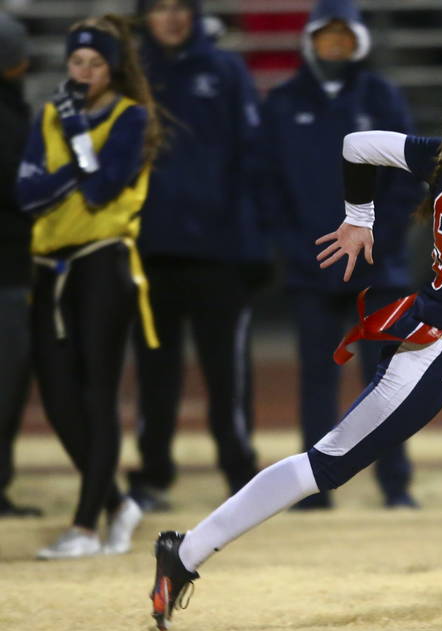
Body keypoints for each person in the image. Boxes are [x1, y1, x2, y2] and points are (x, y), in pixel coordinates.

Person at [147, 59, 442, 631]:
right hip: (436, 351)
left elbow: (357, 145)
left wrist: (358, 216)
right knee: (323, 465)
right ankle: (186, 553)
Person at [261, 0, 421, 510]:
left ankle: (395, 485)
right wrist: (296, 248)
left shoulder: (382, 96)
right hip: (312, 270)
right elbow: (268, 185)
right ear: (310, 39)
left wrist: (383, 239)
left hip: (380, 271)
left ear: (359, 40)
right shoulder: (282, 102)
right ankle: (313, 490)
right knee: (316, 380)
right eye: (325, 35)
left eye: (343, 35)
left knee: (389, 381)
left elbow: (407, 176)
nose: (335, 44)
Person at [17, 15, 163, 558]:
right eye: (76, 62)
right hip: (50, 266)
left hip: (103, 263)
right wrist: (75, 167)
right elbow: (26, 196)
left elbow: (103, 190)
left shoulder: (131, 118)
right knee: (57, 400)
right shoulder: (51, 114)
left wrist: (78, 145)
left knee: (97, 395)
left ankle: (84, 527)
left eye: (94, 63)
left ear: (112, 68)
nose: (83, 72)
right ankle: (120, 502)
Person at [128, 0, 265, 511]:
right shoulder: (129, 73)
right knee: (153, 373)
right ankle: (153, 474)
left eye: (180, 6)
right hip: (149, 250)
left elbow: (252, 157)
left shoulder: (226, 70)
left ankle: (240, 472)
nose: (171, 17)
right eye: (159, 7)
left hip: (218, 253)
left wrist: (251, 242)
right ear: (144, 17)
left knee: (227, 372)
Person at [0, 11, 41, 518]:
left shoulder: (13, 109)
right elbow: (19, 188)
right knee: (6, 384)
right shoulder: (8, 115)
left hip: (12, 270)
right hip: (7, 270)